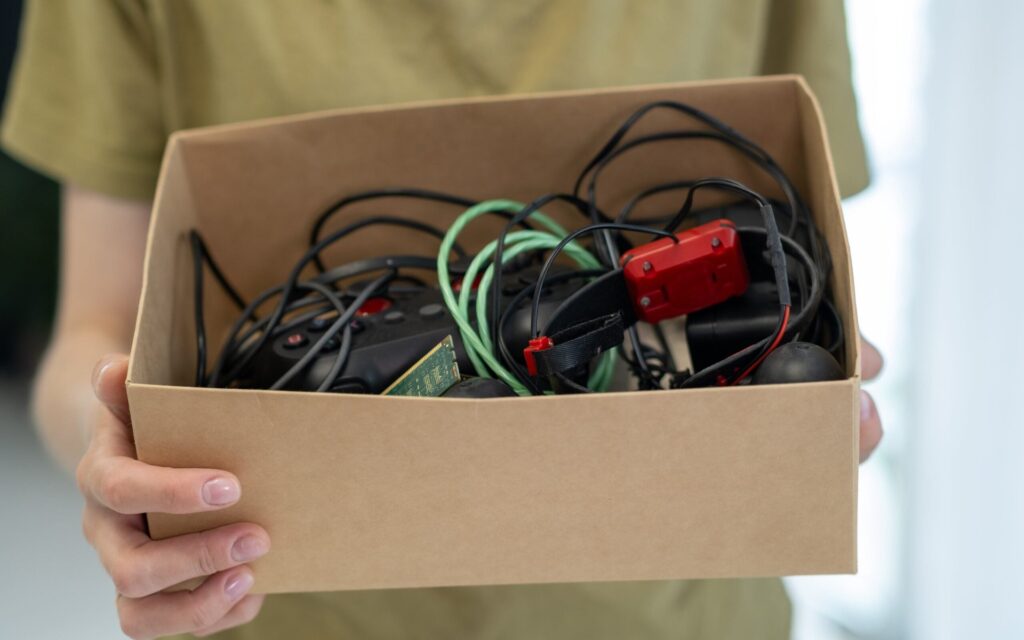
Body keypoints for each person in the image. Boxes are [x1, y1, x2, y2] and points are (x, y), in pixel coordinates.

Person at [1, 1, 885, 638]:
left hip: (686, 615)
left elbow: (803, 273)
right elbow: (93, 336)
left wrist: (819, 406)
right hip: (282, 609)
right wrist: (119, 452)